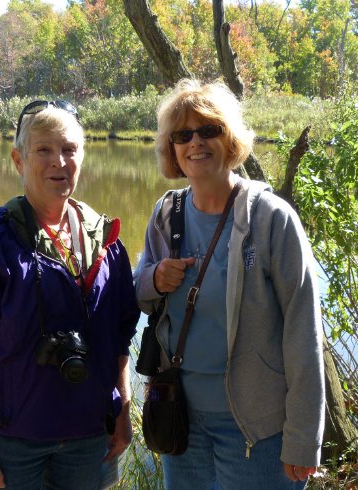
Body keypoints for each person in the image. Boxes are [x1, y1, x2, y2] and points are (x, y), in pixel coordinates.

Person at [0, 100, 140, 490]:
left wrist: (122, 410)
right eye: (43, 150)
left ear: (83, 155)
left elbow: (119, 336)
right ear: (18, 160)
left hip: (89, 437)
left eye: (69, 149)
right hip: (12, 443)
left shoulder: (106, 240)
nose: (58, 162)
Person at [134, 79, 325, 489]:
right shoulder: (167, 214)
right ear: (172, 149)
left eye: (209, 130)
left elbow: (303, 333)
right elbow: (139, 291)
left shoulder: (272, 218)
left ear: (231, 138)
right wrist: (154, 277)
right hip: (181, 418)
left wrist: (303, 439)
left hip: (257, 428)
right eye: (183, 135)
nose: (196, 143)